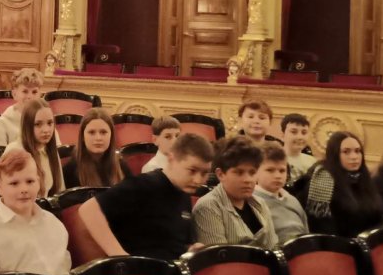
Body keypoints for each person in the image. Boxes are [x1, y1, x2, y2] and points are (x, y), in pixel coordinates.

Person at [78, 132, 213, 260]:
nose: (198, 180)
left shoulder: (184, 194)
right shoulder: (144, 185)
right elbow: (89, 210)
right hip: (142, 272)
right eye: (192, 171)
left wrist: (190, 249)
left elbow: (171, 244)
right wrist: (121, 257)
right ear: (172, 159)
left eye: (204, 173)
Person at [0, 148, 70, 275]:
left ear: (38, 183)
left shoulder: (53, 222)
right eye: (14, 183)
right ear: (0, 188)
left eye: (30, 181)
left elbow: (65, 269)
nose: (24, 189)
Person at [193, 136, 277, 249]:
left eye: (252, 173)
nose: (248, 180)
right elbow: (220, 257)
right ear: (220, 174)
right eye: (239, 172)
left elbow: (273, 248)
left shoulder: (260, 203)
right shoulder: (207, 207)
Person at [304, 131, 383, 237]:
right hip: (337, 243)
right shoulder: (323, 179)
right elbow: (321, 226)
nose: (354, 156)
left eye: (357, 151)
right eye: (346, 152)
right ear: (335, 154)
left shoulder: (363, 177)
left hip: (367, 241)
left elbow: (378, 214)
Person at [6, 98, 65, 197]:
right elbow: (9, 194)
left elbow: (60, 191)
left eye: (50, 123)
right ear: (27, 125)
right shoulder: (14, 151)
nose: (46, 130)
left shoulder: (51, 151)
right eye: (38, 124)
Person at [254, 144, 308, 244]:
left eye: (282, 171)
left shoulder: (292, 200)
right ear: (255, 172)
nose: (278, 176)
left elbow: (306, 232)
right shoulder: (252, 202)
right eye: (270, 170)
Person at [65, 108, 127, 188]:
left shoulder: (120, 164)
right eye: (92, 132)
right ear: (83, 136)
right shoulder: (70, 170)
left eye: (103, 132)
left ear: (111, 135)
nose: (98, 138)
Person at [0, 67, 43, 147]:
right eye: (25, 91)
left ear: (40, 95)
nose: (30, 97)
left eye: (34, 92)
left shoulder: (45, 121)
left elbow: (55, 150)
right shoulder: (1, 124)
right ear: (14, 94)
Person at [280, 113, 316, 186]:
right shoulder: (273, 159)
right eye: (294, 132)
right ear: (282, 135)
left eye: (304, 133)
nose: (300, 137)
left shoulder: (313, 162)